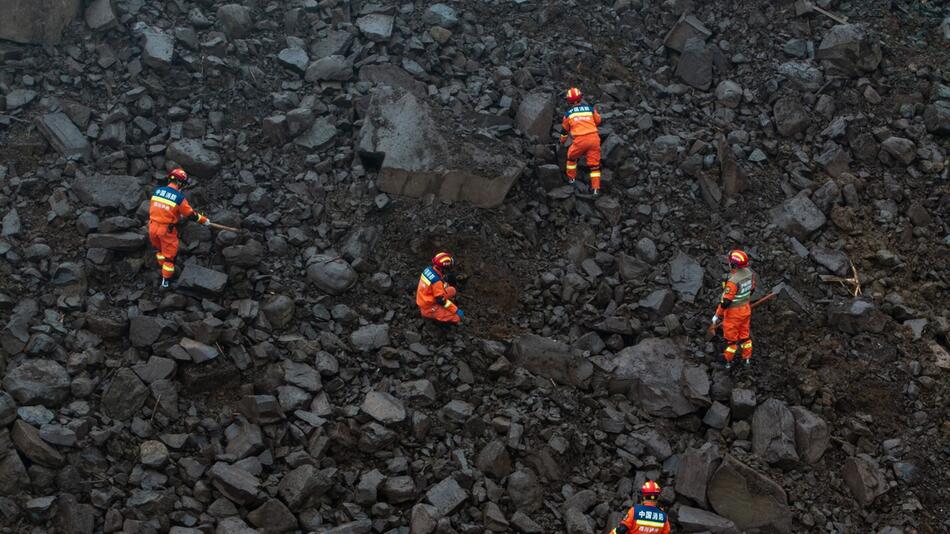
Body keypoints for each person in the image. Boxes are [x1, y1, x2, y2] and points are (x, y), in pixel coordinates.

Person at [148, 168, 210, 288]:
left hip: (152, 226)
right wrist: (204, 221)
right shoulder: (179, 198)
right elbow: (191, 215)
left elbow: (159, 208)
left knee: (159, 249)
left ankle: (160, 264)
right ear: (180, 183)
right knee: (170, 258)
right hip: (166, 230)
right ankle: (165, 282)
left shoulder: (157, 191)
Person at [711, 249, 756, 368]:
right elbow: (752, 289)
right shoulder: (749, 273)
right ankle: (747, 359)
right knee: (745, 336)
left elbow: (725, 302)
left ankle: (727, 361)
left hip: (733, 314)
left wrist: (717, 315)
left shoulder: (733, 282)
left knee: (731, 341)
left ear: (734, 264)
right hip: (745, 309)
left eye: (730, 262)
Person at [560, 87, 603, 195]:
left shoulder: (568, 114)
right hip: (594, 139)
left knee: (571, 158)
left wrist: (562, 141)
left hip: (580, 141)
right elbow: (598, 120)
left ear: (569, 101)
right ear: (581, 98)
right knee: (594, 166)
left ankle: (571, 179)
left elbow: (564, 131)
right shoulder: (590, 109)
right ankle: (595, 189)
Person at [416, 252, 464, 324]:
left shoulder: (428, 269)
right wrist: (456, 310)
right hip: (429, 307)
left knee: (452, 290)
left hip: (424, 297)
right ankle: (429, 315)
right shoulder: (436, 282)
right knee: (457, 317)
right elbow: (441, 301)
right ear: (443, 268)